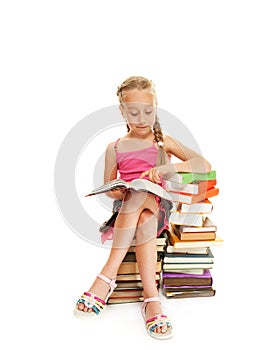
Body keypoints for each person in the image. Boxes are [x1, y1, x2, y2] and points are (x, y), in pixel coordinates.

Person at [73, 76, 211, 339]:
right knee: (140, 209)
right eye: (133, 112)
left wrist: (168, 167)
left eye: (148, 111)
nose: (141, 118)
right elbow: (111, 188)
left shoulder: (163, 143)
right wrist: (120, 189)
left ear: (156, 108)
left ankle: (106, 277)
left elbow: (203, 164)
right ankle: (150, 299)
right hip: (128, 210)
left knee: (145, 202)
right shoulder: (113, 148)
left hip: (160, 203)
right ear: (122, 111)